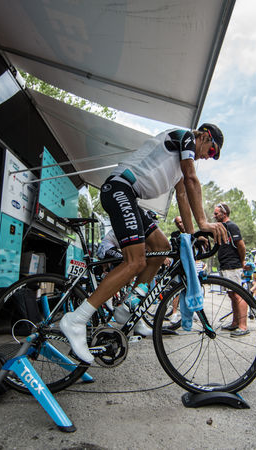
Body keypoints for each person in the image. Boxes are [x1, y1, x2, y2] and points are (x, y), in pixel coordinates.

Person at [60, 124, 228, 363]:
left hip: (129, 195)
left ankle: (129, 307)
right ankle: (76, 320)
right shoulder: (186, 137)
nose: (207, 157)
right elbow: (192, 179)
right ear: (204, 136)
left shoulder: (181, 164)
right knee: (135, 261)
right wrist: (204, 222)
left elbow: (182, 195)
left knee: (161, 247)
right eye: (211, 151)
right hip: (119, 188)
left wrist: (193, 235)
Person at [213, 202, 249, 337]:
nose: (214, 216)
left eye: (216, 213)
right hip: (224, 265)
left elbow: (241, 245)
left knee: (238, 294)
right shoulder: (220, 227)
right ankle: (235, 322)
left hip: (233, 265)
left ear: (224, 213)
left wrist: (241, 261)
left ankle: (243, 326)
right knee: (231, 295)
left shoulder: (232, 226)